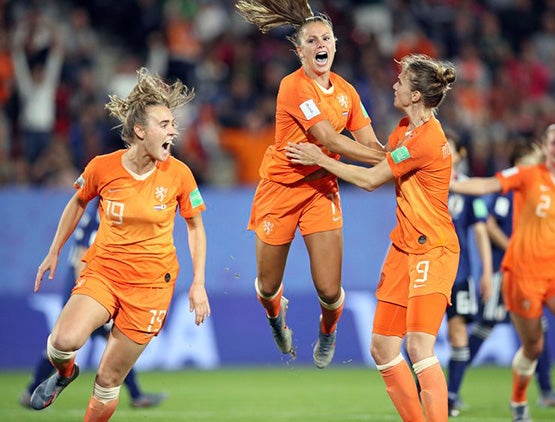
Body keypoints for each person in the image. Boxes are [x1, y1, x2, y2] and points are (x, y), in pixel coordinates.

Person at [29, 67, 210, 421]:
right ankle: (65, 373)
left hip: (151, 288)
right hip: (105, 272)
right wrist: (54, 251)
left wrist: (198, 282)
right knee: (63, 343)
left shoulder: (179, 173)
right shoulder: (102, 167)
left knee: (109, 378)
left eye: (173, 123)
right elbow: (78, 202)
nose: (173, 130)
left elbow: (195, 227)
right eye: (164, 124)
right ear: (140, 131)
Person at [287, 53, 459, 421]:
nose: (395, 85)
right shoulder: (403, 131)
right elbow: (382, 160)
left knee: (418, 345)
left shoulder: (427, 138)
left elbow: (369, 180)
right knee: (382, 347)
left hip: (434, 248)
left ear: (415, 96)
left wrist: (321, 157)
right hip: (403, 248)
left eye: (401, 82)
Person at [235, 0, 385, 368]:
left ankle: (328, 330)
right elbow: (331, 142)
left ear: (335, 45)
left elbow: (369, 143)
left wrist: (392, 154)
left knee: (330, 290)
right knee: (268, 286)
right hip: (280, 190)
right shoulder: (293, 87)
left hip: (321, 190)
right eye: (312, 39)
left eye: (327, 38)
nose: (321, 44)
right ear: (299, 50)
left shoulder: (347, 92)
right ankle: (275, 317)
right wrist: (396, 159)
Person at [449, 122, 555, 421]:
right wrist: (452, 184)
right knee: (533, 344)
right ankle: (519, 403)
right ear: (547, 147)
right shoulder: (528, 175)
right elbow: (488, 184)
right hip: (521, 273)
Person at [19, 199, 167, 410]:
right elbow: (82, 257)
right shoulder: (101, 215)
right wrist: (89, 296)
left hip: (89, 288)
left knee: (75, 344)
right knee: (74, 342)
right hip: (87, 291)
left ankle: (136, 394)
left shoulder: (98, 213)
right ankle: (136, 395)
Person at [467, 142, 555, 409]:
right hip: (504, 270)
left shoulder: (536, 194)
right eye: (528, 163)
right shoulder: (507, 193)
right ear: (516, 166)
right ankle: (451, 389)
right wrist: (513, 246)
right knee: (482, 329)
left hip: (528, 273)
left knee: (537, 332)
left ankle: (546, 391)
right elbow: (487, 222)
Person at [445, 134, 493, 417]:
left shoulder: (467, 188)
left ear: (461, 154)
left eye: (449, 148)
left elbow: (480, 231)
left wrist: (486, 272)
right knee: (417, 336)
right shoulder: (426, 181)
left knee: (458, 332)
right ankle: (421, 388)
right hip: (427, 269)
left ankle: (450, 397)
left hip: (459, 274)